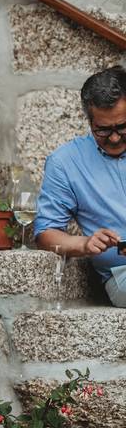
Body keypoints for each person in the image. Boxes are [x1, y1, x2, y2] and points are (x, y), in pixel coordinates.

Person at [35, 65, 126, 306]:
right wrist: (84, 244)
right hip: (122, 275)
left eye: (122, 127)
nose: (115, 138)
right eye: (103, 130)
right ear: (89, 119)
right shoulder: (64, 162)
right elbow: (46, 232)